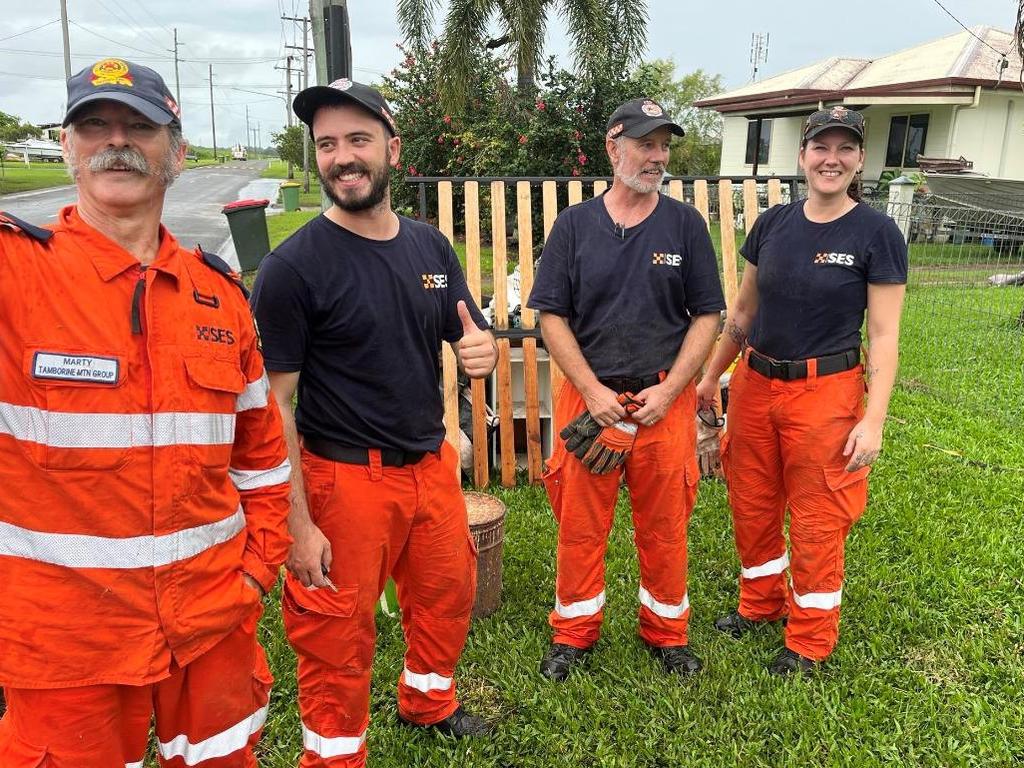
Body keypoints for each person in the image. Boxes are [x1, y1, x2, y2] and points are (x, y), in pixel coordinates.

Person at [0, 58, 292, 765]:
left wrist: (256, 571)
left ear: (177, 152)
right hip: (68, 638)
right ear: (66, 147)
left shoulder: (218, 295)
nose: (116, 141)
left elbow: (261, 460)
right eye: (93, 125)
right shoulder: (16, 271)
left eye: (140, 126)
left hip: (213, 624)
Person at [250, 79, 498, 768]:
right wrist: (296, 522)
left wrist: (481, 349)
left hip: (429, 469)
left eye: (357, 140)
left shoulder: (430, 249)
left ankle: (429, 702)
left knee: (449, 598)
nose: (341, 158)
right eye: (327, 144)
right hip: (343, 480)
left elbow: (467, 335)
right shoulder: (292, 269)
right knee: (335, 635)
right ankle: (333, 756)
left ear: (392, 148)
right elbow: (276, 406)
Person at [695, 106, 908, 675]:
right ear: (803, 156)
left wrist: (875, 420)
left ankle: (810, 638)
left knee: (818, 515)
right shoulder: (773, 226)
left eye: (844, 149)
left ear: (860, 160)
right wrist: (715, 373)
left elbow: (884, 337)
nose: (830, 159)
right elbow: (742, 311)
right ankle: (761, 604)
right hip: (755, 385)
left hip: (826, 394)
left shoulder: (876, 233)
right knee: (753, 501)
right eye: (821, 148)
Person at [527, 98, 726, 680]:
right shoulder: (574, 226)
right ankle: (573, 635)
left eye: (664, 145)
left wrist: (671, 395)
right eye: (645, 144)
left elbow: (707, 316)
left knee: (665, 526)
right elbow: (551, 317)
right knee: (580, 526)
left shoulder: (685, 224)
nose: (657, 156)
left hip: (662, 399)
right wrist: (589, 391)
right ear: (613, 147)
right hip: (591, 401)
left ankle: (667, 634)